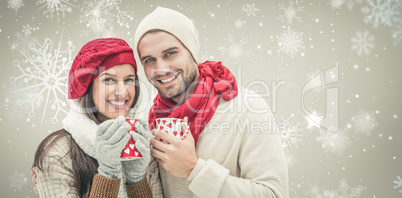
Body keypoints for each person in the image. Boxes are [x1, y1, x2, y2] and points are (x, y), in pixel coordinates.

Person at [133, 7, 289, 198]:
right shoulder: (145, 118)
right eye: (149, 60)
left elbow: (274, 194)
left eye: (170, 53)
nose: (161, 69)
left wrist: (193, 169)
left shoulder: (248, 108)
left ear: (191, 52)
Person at [31, 38, 162, 197]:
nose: (122, 92)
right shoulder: (57, 154)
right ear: (88, 87)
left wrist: (136, 179)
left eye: (129, 80)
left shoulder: (143, 143)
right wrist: (108, 173)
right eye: (109, 80)